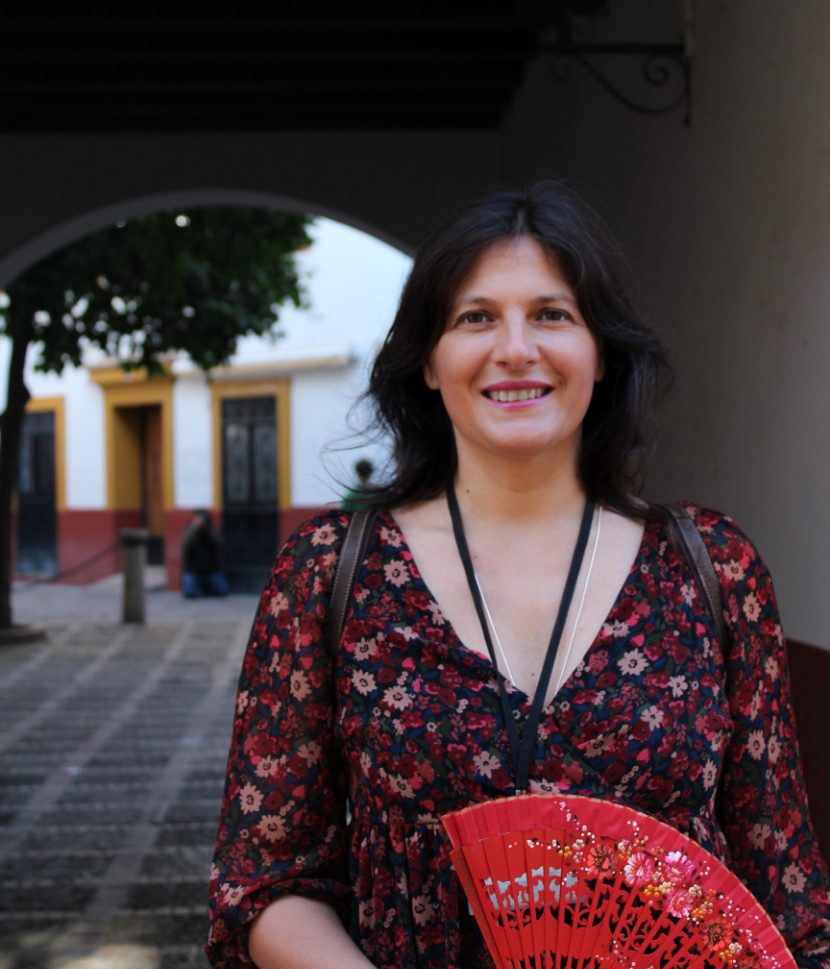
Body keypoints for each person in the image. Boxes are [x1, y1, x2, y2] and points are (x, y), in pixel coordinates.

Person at [206, 182, 830, 969]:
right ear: (428, 363)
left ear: (600, 353)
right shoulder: (332, 572)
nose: (514, 349)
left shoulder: (713, 569)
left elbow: (789, 893)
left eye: (551, 314)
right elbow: (263, 882)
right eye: (475, 317)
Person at [181, 509, 229, 598]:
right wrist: (195, 528)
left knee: (223, 591)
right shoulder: (189, 530)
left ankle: (206, 589)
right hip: (194, 571)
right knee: (189, 593)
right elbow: (187, 543)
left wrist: (207, 529)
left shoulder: (211, 530)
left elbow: (219, 542)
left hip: (211, 570)